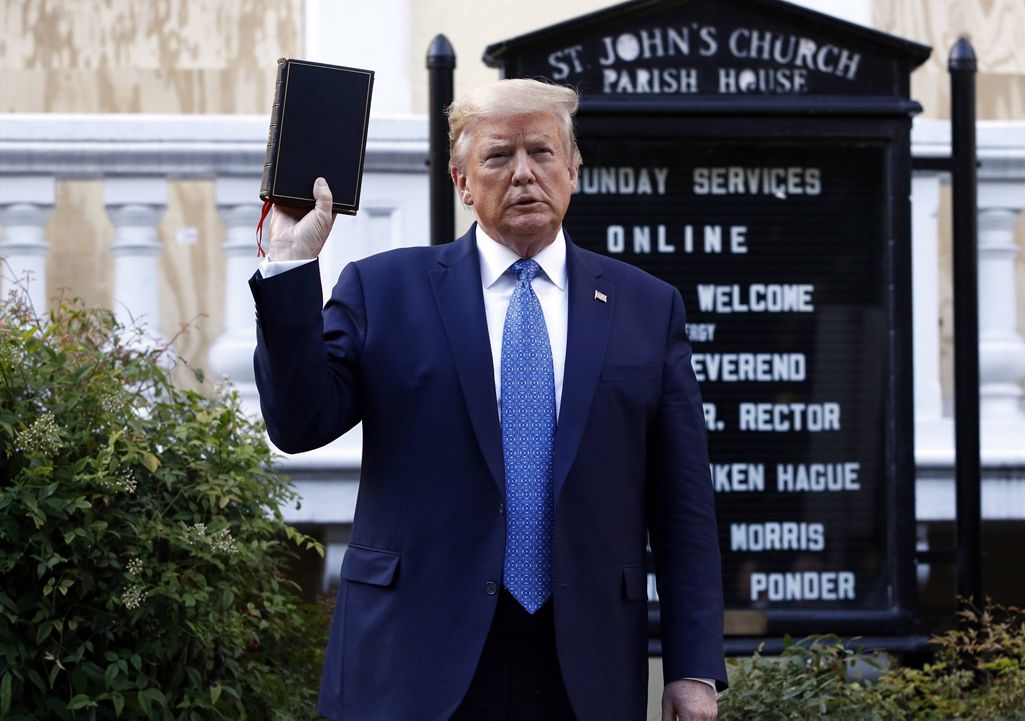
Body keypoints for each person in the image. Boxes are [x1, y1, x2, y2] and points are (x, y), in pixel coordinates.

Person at [250, 78, 726, 721]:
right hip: (413, 657)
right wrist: (289, 265)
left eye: (543, 153)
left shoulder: (646, 307)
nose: (524, 174)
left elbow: (683, 506)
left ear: (574, 169)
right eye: (499, 157)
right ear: (462, 181)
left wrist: (693, 667)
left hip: (582, 662)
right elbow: (299, 423)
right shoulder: (385, 291)